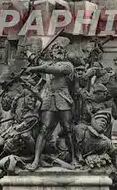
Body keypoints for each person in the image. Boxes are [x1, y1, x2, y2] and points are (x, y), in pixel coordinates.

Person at [26, 39, 78, 171]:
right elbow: (37, 60)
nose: (59, 50)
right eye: (56, 49)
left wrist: (32, 68)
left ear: (64, 52)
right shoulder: (47, 63)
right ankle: (36, 160)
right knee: (44, 129)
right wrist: (26, 53)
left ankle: (75, 159)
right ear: (51, 53)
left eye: (61, 49)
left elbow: (51, 70)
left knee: (68, 129)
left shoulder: (67, 65)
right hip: (49, 100)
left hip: (63, 99)